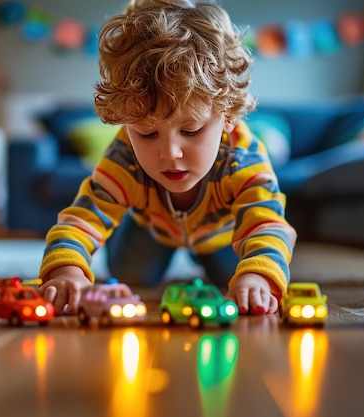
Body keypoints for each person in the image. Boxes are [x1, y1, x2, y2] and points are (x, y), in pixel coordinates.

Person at [38, 0, 297, 316]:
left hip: (223, 236)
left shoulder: (242, 159)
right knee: (133, 276)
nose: (169, 152)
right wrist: (68, 271)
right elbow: (82, 219)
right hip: (151, 230)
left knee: (241, 283)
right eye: (147, 134)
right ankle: (129, 221)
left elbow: (267, 224)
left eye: (190, 131)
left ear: (228, 116)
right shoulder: (125, 157)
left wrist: (257, 276)